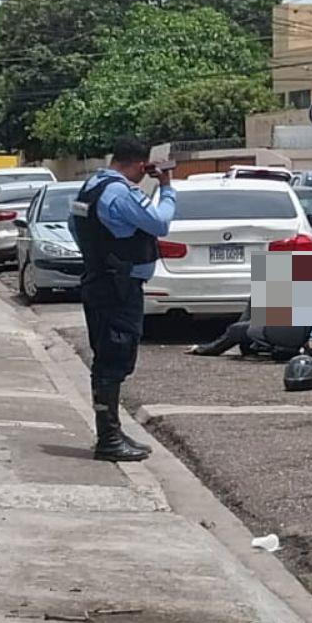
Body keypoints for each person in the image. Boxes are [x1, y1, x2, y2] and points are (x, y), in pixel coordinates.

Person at [70, 137, 175, 463]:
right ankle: (109, 439)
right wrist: (167, 188)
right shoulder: (119, 192)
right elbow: (160, 223)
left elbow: (75, 226)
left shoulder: (91, 187)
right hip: (117, 287)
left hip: (102, 281)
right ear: (142, 165)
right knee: (114, 358)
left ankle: (112, 431)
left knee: (109, 357)